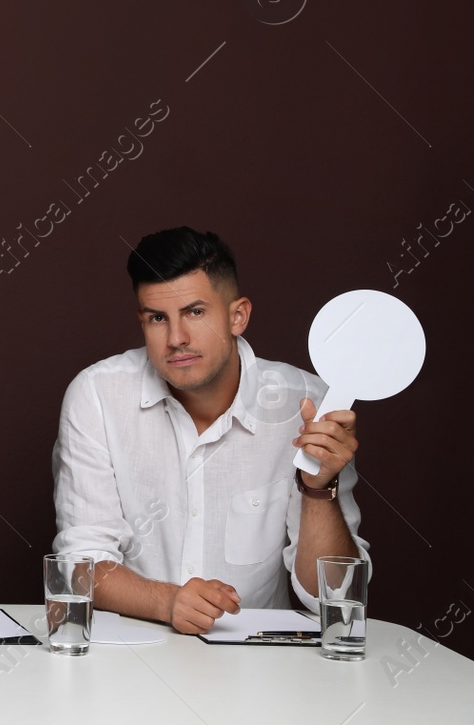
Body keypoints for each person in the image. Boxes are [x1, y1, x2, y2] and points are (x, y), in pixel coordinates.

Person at [52, 227, 367, 634]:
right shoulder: (97, 395)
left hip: (260, 666)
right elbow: (80, 564)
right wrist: (168, 602)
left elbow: (333, 599)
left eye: (195, 312)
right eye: (157, 318)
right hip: (133, 658)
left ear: (238, 316)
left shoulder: (305, 406)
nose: (176, 339)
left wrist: (319, 488)